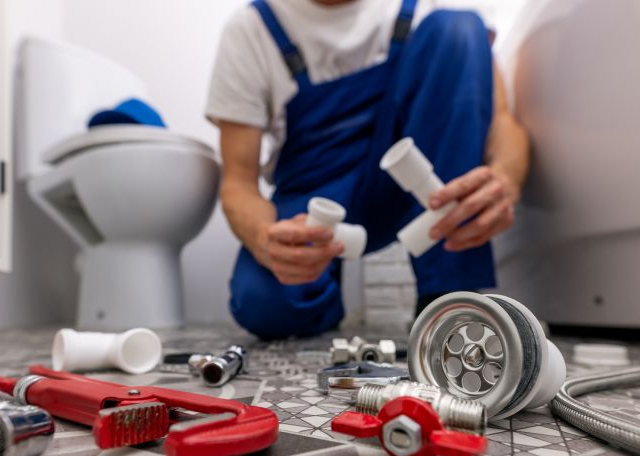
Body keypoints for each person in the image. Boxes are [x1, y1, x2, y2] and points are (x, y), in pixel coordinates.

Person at [206, 0, 529, 339]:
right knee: (266, 303)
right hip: (317, 189)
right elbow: (238, 184)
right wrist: (266, 241)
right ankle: (321, 298)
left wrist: (505, 180)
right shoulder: (252, 29)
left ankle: (449, 299)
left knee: (457, 27)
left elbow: (502, 121)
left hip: (421, 178)